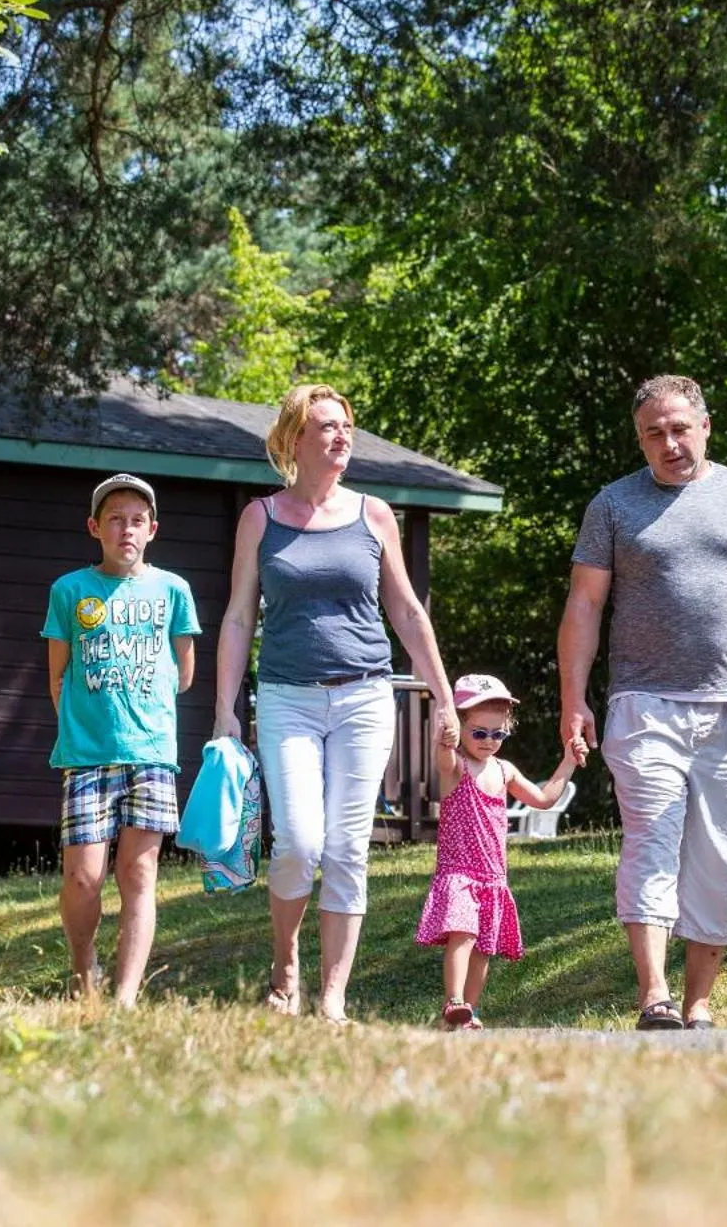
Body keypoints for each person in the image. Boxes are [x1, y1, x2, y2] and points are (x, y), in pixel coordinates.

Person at [558, 375, 727, 1030]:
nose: (669, 443)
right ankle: (653, 995)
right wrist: (573, 699)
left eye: (679, 428)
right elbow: (584, 605)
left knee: (724, 854)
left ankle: (698, 1002)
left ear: (704, 423)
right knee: (652, 838)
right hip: (645, 704)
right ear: (640, 439)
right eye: (653, 433)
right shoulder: (613, 506)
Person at [215, 383, 459, 1024]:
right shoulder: (260, 518)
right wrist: (225, 711)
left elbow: (406, 610)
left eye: (347, 425)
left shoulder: (374, 515)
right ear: (295, 438)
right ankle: (285, 965)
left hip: (364, 699)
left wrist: (444, 696)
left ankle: (332, 1001)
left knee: (348, 846)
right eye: (327, 425)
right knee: (297, 841)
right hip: (287, 698)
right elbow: (240, 618)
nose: (342, 435)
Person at [43, 472, 201, 1008]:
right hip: (86, 755)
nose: (126, 529)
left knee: (139, 872)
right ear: (95, 527)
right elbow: (57, 677)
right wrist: (90, 723)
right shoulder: (70, 591)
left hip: (151, 753)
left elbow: (184, 672)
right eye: (115, 520)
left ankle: (126, 997)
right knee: (84, 878)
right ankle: (84, 969)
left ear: (152, 529)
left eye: (137, 520)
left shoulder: (173, 590)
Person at [414, 673, 582, 1031]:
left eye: (498, 734)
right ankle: (454, 1000)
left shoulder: (505, 771)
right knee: (464, 932)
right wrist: (445, 738)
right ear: (461, 728)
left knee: (484, 948)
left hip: (492, 877)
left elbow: (544, 799)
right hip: (459, 871)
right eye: (479, 733)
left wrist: (568, 760)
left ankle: (467, 1013)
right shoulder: (456, 767)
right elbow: (443, 758)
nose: (489, 742)